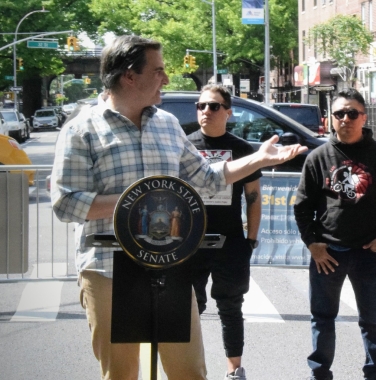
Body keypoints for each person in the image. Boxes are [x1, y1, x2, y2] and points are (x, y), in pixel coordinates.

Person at [50, 35, 305, 380]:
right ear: (129, 76)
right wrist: (138, 200)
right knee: (122, 374)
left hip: (169, 265)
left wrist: (256, 160)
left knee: (189, 373)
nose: (167, 79)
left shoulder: (168, 124)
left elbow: (206, 179)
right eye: (158, 71)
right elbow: (66, 203)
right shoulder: (81, 129)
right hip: (108, 268)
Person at [293, 88, 376, 380]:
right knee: (322, 318)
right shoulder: (318, 157)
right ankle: (319, 372)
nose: (345, 118)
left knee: (372, 320)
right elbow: (302, 206)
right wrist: (313, 244)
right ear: (330, 119)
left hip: (368, 253)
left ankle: (375, 371)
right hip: (328, 254)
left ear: (363, 117)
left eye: (352, 113)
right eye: (339, 113)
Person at [187, 84, 262, 380]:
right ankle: (188, 367)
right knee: (189, 306)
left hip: (230, 242)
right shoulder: (186, 145)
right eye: (201, 106)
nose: (206, 111)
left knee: (230, 307)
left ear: (228, 112)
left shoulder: (242, 149)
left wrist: (251, 240)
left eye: (214, 106)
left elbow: (253, 197)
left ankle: (234, 369)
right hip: (190, 242)